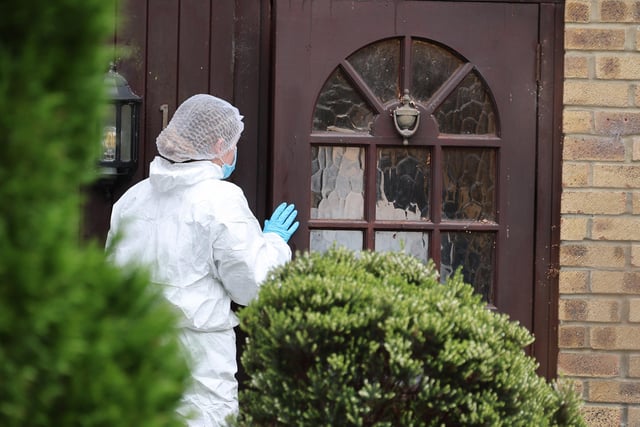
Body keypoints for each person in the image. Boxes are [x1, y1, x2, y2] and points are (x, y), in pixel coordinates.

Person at [106, 94, 299, 426]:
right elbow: (251, 285)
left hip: (134, 351)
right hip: (198, 362)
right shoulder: (221, 200)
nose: (234, 153)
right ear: (221, 143)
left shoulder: (131, 200)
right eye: (234, 145)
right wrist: (274, 243)